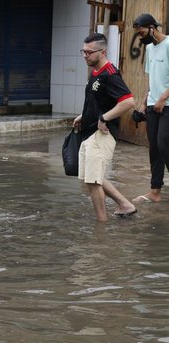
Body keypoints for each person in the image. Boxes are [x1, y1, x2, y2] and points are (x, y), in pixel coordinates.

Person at [72, 33, 137, 222]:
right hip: (90, 131)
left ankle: (101, 225)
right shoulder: (95, 73)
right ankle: (125, 205)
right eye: (83, 51)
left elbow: (128, 102)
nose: (85, 56)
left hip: (102, 134)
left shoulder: (110, 74)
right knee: (91, 178)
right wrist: (84, 116)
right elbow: (101, 101)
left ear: (103, 52)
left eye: (89, 52)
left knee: (93, 181)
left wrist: (104, 118)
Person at [131, 14, 169, 204]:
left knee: (164, 144)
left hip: (167, 104)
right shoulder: (149, 49)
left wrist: (163, 98)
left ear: (152, 27)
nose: (141, 36)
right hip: (154, 103)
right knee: (154, 147)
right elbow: (152, 79)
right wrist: (145, 101)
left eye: (142, 32)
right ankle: (155, 191)